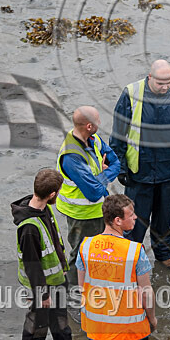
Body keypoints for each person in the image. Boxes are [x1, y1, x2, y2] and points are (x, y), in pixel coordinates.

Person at [77, 194, 163, 340]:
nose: (135, 218)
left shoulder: (86, 246)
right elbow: (146, 290)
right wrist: (152, 318)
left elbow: (82, 286)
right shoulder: (135, 251)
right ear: (117, 220)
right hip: (131, 322)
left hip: (98, 323)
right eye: (131, 215)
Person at [109, 59, 170, 272]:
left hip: (169, 169)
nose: (165, 87)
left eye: (168, 82)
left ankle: (164, 254)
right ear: (150, 77)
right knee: (134, 218)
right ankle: (131, 257)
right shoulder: (131, 94)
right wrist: (120, 166)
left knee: (164, 217)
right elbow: (119, 132)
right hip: (140, 169)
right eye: (160, 83)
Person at [12, 168, 95, 340]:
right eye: (58, 192)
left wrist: (63, 271)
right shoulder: (29, 228)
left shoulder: (44, 210)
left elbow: (55, 244)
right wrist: (43, 294)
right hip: (42, 287)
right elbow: (32, 266)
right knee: (37, 325)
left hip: (56, 280)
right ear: (52, 194)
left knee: (59, 322)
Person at [56, 106, 120, 275]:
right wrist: (104, 174)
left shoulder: (93, 138)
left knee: (98, 253)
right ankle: (73, 287)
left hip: (98, 210)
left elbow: (116, 163)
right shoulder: (72, 156)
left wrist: (99, 177)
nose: (100, 123)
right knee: (80, 256)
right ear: (89, 126)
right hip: (81, 216)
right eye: (98, 121)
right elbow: (93, 193)